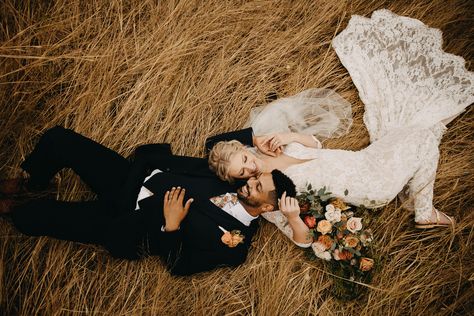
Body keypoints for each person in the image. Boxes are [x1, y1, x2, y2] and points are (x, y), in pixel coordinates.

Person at [206, 10, 474, 246]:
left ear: (244, 149)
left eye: (244, 160)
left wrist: (288, 136)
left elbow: (317, 145)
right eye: (241, 173)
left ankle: (421, 201)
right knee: (424, 136)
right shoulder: (270, 193)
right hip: (371, 185)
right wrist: (292, 216)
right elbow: (303, 240)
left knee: (414, 127)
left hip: (366, 159)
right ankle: (425, 212)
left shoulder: (271, 146)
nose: (249, 169)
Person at [0, 126, 297, 276]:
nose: (251, 181)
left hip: (130, 223)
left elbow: (180, 266)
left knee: (32, 217)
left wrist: (172, 227)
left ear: (268, 207)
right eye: (255, 178)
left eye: (257, 187)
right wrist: (253, 139)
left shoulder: (237, 245)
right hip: (130, 179)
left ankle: (24, 205)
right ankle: (36, 184)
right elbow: (213, 145)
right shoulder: (233, 178)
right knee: (58, 139)